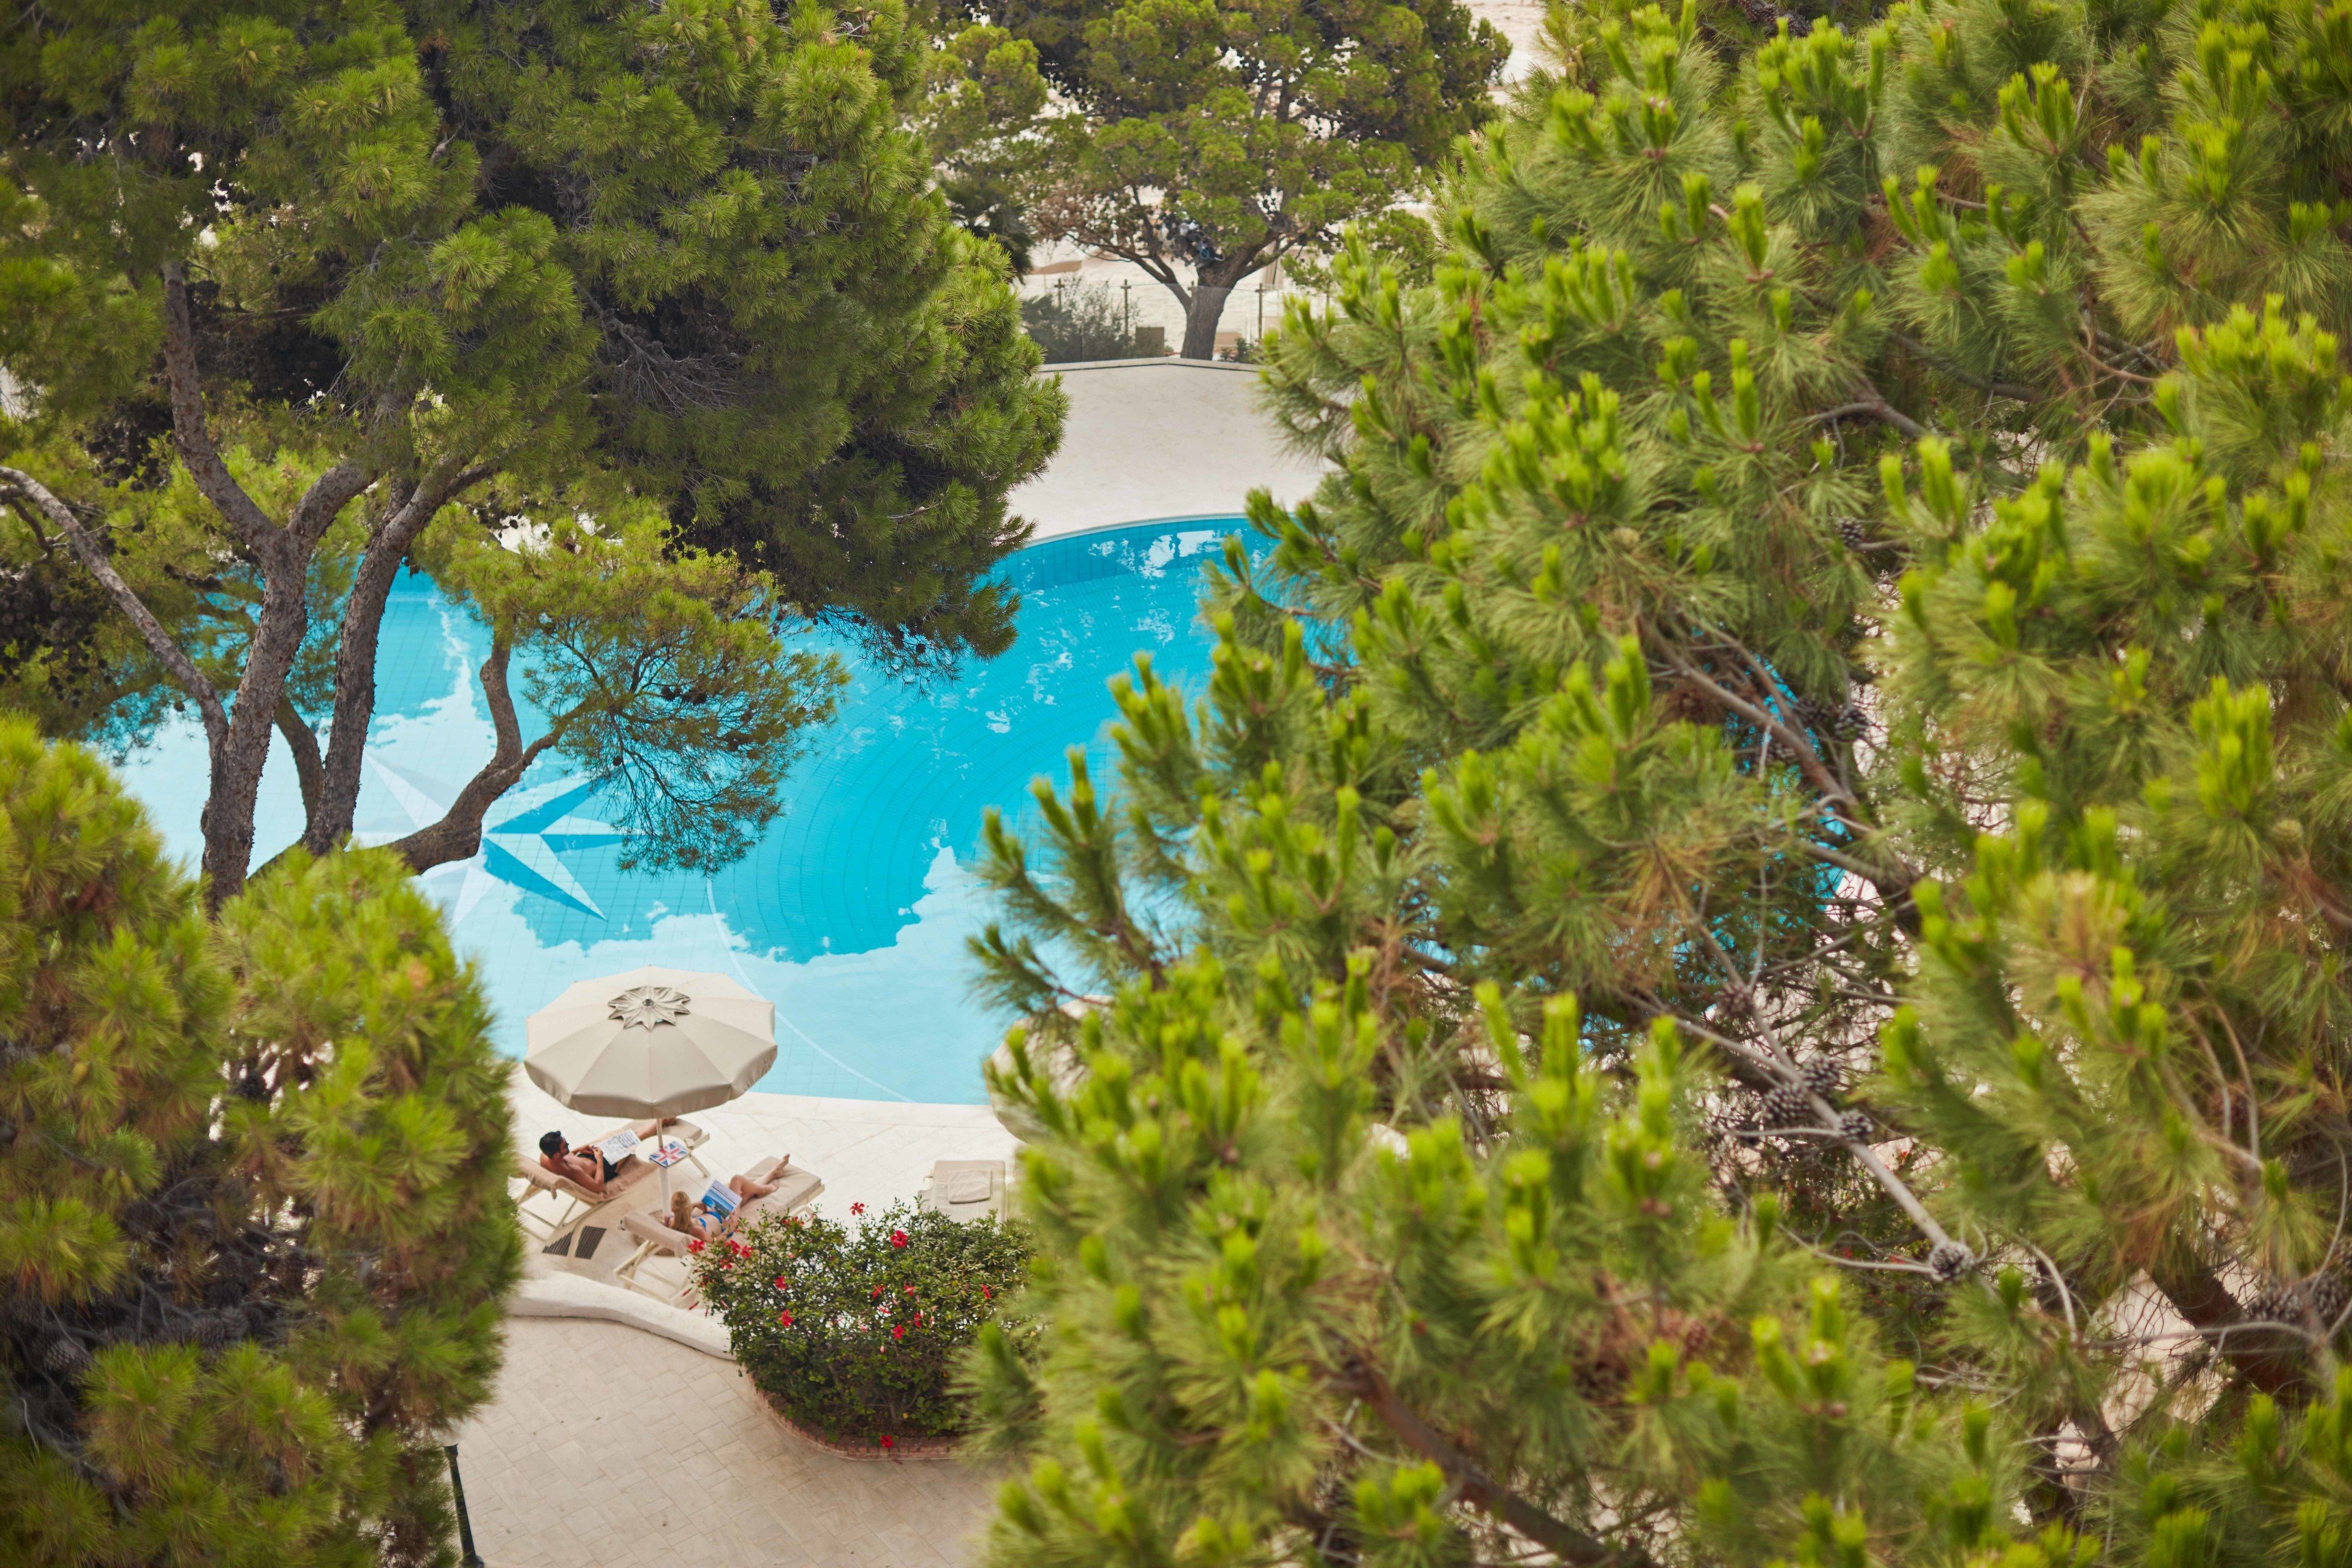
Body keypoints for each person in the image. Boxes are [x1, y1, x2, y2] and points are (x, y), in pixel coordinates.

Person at [539, 1129, 622, 1196]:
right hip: (603, 1167)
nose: (568, 1144)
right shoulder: (573, 1170)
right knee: (628, 1146)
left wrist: (578, 1150)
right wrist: (599, 1159)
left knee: (618, 1139)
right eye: (565, 1146)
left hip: (588, 1156)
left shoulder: (544, 1157)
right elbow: (597, 1187)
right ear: (557, 1154)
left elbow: (565, 1156)